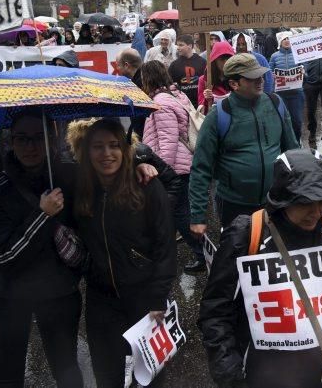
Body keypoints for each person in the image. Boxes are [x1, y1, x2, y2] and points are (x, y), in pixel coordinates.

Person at [198, 150, 322, 387]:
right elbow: (215, 311)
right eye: (305, 202)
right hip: (262, 371)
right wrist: (230, 376)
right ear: (283, 200)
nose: (315, 212)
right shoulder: (246, 234)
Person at [0, 113, 84, 388]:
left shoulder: (70, 177)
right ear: (11, 141)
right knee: (4, 378)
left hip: (58, 294)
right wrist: (42, 215)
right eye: (22, 139)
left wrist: (146, 166)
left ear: (53, 140)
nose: (31, 147)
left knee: (68, 371)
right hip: (8, 297)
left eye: (39, 138)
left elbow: (113, 177)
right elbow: (0, 257)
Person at [70, 118, 175, 388]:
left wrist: (158, 297)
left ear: (125, 149)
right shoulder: (80, 188)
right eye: (98, 147)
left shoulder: (147, 185)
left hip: (143, 298)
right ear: (86, 151)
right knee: (107, 374)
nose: (107, 154)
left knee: (149, 374)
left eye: (114, 145)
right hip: (100, 299)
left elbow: (165, 246)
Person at [189, 53, 298, 236]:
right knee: (239, 256)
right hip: (234, 206)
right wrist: (197, 216)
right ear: (234, 84)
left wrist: (298, 193)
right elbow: (201, 168)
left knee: (274, 256)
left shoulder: (276, 104)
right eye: (252, 78)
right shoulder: (218, 116)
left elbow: (292, 152)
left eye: (261, 75)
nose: (260, 81)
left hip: (275, 201)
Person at [140, 60, 206, 274]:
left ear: (148, 78)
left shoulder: (160, 103)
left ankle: (202, 254)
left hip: (174, 168)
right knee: (177, 212)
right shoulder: (177, 94)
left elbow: (167, 142)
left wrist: (162, 172)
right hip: (182, 164)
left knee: (180, 214)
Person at [269, 31, 306, 143]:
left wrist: (304, 72)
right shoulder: (274, 56)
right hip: (281, 95)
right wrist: (272, 75)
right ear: (280, 42)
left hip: (296, 94)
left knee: (297, 121)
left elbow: (306, 71)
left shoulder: (298, 54)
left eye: (289, 39)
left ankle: (296, 142)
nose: (287, 41)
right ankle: (285, 144)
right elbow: (269, 71)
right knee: (282, 120)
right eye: (284, 39)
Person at [168, 33, 207, 106]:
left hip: (200, 103)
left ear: (190, 46)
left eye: (181, 45)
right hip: (183, 104)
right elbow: (169, 84)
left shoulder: (202, 62)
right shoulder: (174, 65)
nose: (178, 48)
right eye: (177, 45)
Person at [116, 48, 147, 140]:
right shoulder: (143, 77)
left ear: (126, 65)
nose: (117, 69)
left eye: (118, 65)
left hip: (146, 134)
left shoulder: (143, 82)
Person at [197, 40, 235, 114]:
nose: (226, 62)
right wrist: (207, 100)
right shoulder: (204, 80)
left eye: (228, 58)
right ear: (215, 60)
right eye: (222, 59)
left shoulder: (237, 78)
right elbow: (202, 111)